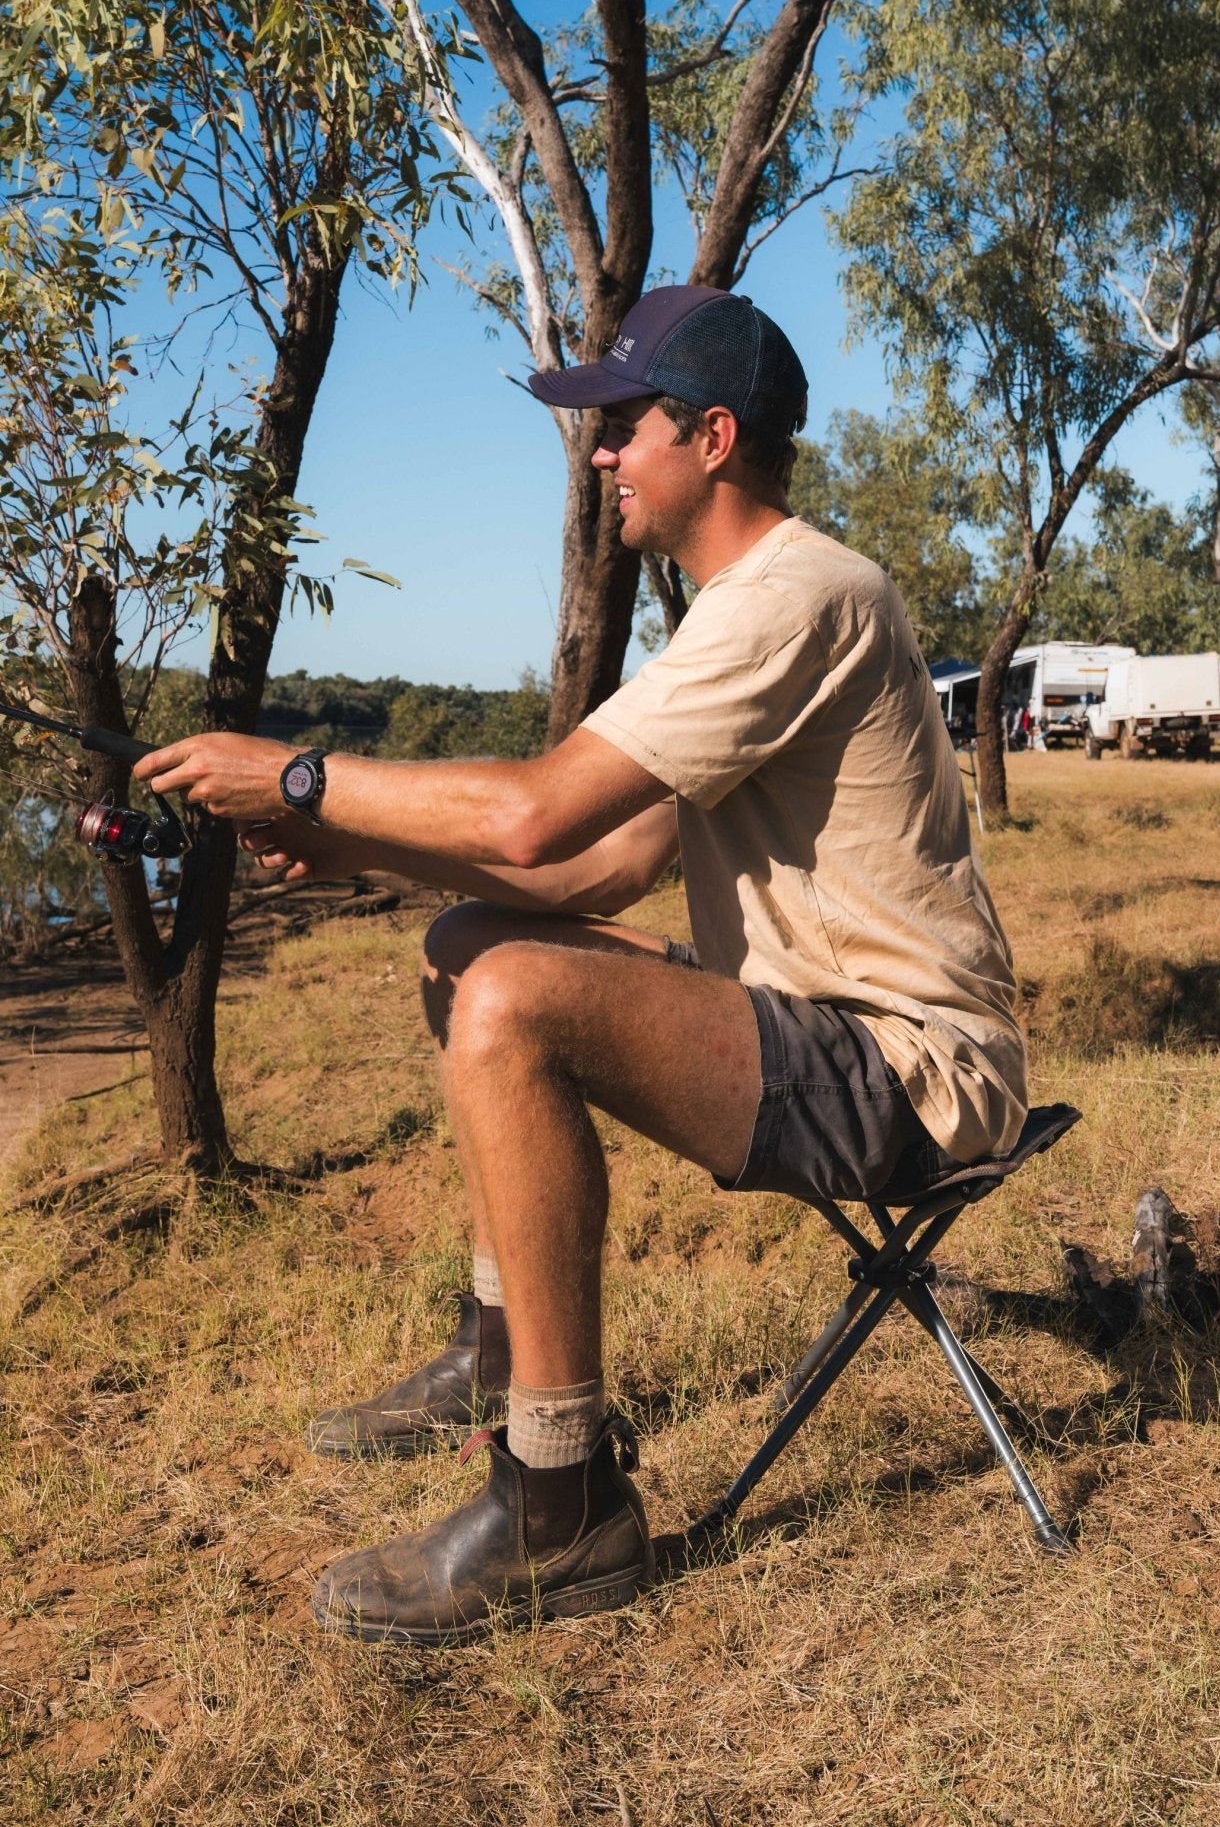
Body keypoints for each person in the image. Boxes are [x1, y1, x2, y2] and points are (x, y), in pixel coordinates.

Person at [136, 285, 1027, 1648]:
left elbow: (534, 815)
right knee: (468, 947)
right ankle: (500, 1355)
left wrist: (301, 776)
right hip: (817, 1032)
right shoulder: (748, 612)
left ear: (710, 438)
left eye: (623, 427)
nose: (601, 453)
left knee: (509, 998)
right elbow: (588, 872)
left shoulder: (796, 596)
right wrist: (351, 847)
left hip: (911, 1076)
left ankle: (560, 1502)